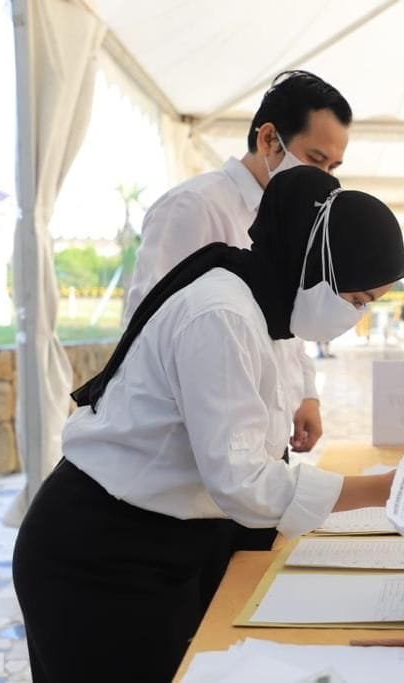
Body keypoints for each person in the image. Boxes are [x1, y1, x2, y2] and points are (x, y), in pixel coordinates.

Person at [12, 167, 404, 682]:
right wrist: (382, 489)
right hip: (100, 554)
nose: (356, 315)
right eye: (357, 299)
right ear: (314, 266)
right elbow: (243, 482)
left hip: (165, 541)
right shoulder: (221, 315)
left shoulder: (265, 306)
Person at [125, 70, 351, 458]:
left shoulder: (293, 223)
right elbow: (151, 327)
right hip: (195, 449)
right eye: (316, 160)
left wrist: (305, 393)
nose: (324, 179)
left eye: (333, 168)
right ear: (268, 139)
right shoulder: (194, 207)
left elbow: (285, 320)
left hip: (256, 443)